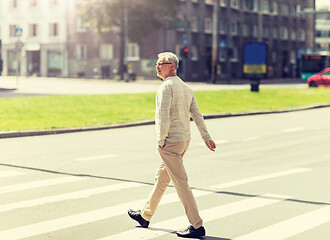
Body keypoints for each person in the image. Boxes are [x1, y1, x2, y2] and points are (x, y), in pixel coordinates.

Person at [128, 52, 216, 238]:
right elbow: (197, 115)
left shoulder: (166, 87)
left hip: (170, 142)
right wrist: (206, 138)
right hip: (184, 141)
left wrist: (160, 141)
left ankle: (196, 225)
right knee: (161, 178)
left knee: (181, 184)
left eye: (161, 63)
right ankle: (145, 215)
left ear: (172, 66)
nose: (157, 67)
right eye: (157, 63)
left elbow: (163, 117)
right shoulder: (185, 87)